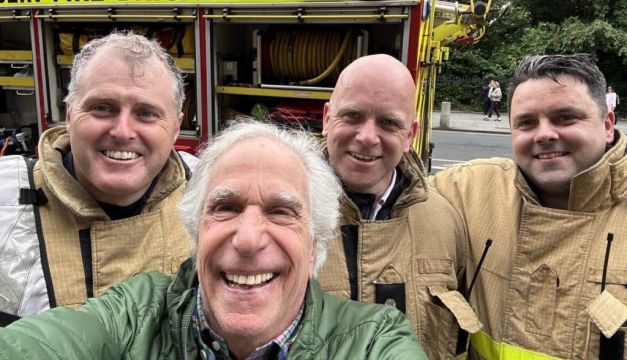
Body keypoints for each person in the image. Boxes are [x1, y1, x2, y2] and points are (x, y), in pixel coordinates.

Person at [0, 120, 427, 360]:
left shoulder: (372, 341)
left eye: (281, 211)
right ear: (196, 230)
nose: (247, 238)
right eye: (225, 207)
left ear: (314, 245)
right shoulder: (133, 317)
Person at [429, 54, 627, 359]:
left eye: (565, 118)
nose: (544, 134)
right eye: (526, 122)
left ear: (607, 125)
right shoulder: (468, 191)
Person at [0, 31, 194, 325]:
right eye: (102, 108)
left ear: (177, 128)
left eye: (146, 113)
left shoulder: (206, 191)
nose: (123, 131)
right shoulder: (6, 203)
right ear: (69, 114)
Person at [318, 54, 478, 359]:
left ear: (410, 135)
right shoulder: (281, 215)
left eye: (388, 123)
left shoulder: (447, 223)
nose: (367, 137)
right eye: (351, 116)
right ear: (327, 119)